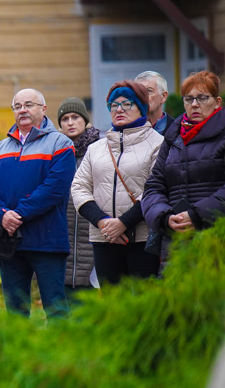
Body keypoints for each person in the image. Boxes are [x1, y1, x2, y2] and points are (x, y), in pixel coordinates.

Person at [0, 88, 75, 319]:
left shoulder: (61, 143)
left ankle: (62, 354)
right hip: (10, 242)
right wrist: (2, 215)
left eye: (29, 104)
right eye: (17, 106)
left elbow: (54, 190)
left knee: (55, 308)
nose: (23, 110)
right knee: (15, 312)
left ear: (43, 109)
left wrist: (16, 215)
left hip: (47, 240)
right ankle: (18, 356)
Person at [70, 81, 163, 285]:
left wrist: (123, 223)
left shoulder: (158, 143)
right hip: (104, 239)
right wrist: (103, 222)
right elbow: (79, 187)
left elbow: (156, 189)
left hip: (142, 239)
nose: (119, 109)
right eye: (113, 105)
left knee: (143, 303)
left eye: (127, 103)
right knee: (111, 306)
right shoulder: (96, 148)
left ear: (141, 107)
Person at [143, 70, 225, 261]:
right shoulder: (174, 137)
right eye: (188, 99)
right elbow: (153, 186)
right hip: (176, 243)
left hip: (216, 239)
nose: (194, 105)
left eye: (202, 98)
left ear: (217, 102)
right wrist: (165, 217)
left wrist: (196, 215)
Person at [57, 97, 99, 294]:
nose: (70, 122)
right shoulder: (55, 151)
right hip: (62, 232)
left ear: (85, 119)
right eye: (65, 119)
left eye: (75, 117)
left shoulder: (99, 150)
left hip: (91, 230)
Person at [136, 70, 175, 135]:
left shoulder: (179, 130)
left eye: (149, 91)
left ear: (163, 96)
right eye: (139, 91)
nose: (143, 96)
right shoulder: (126, 131)